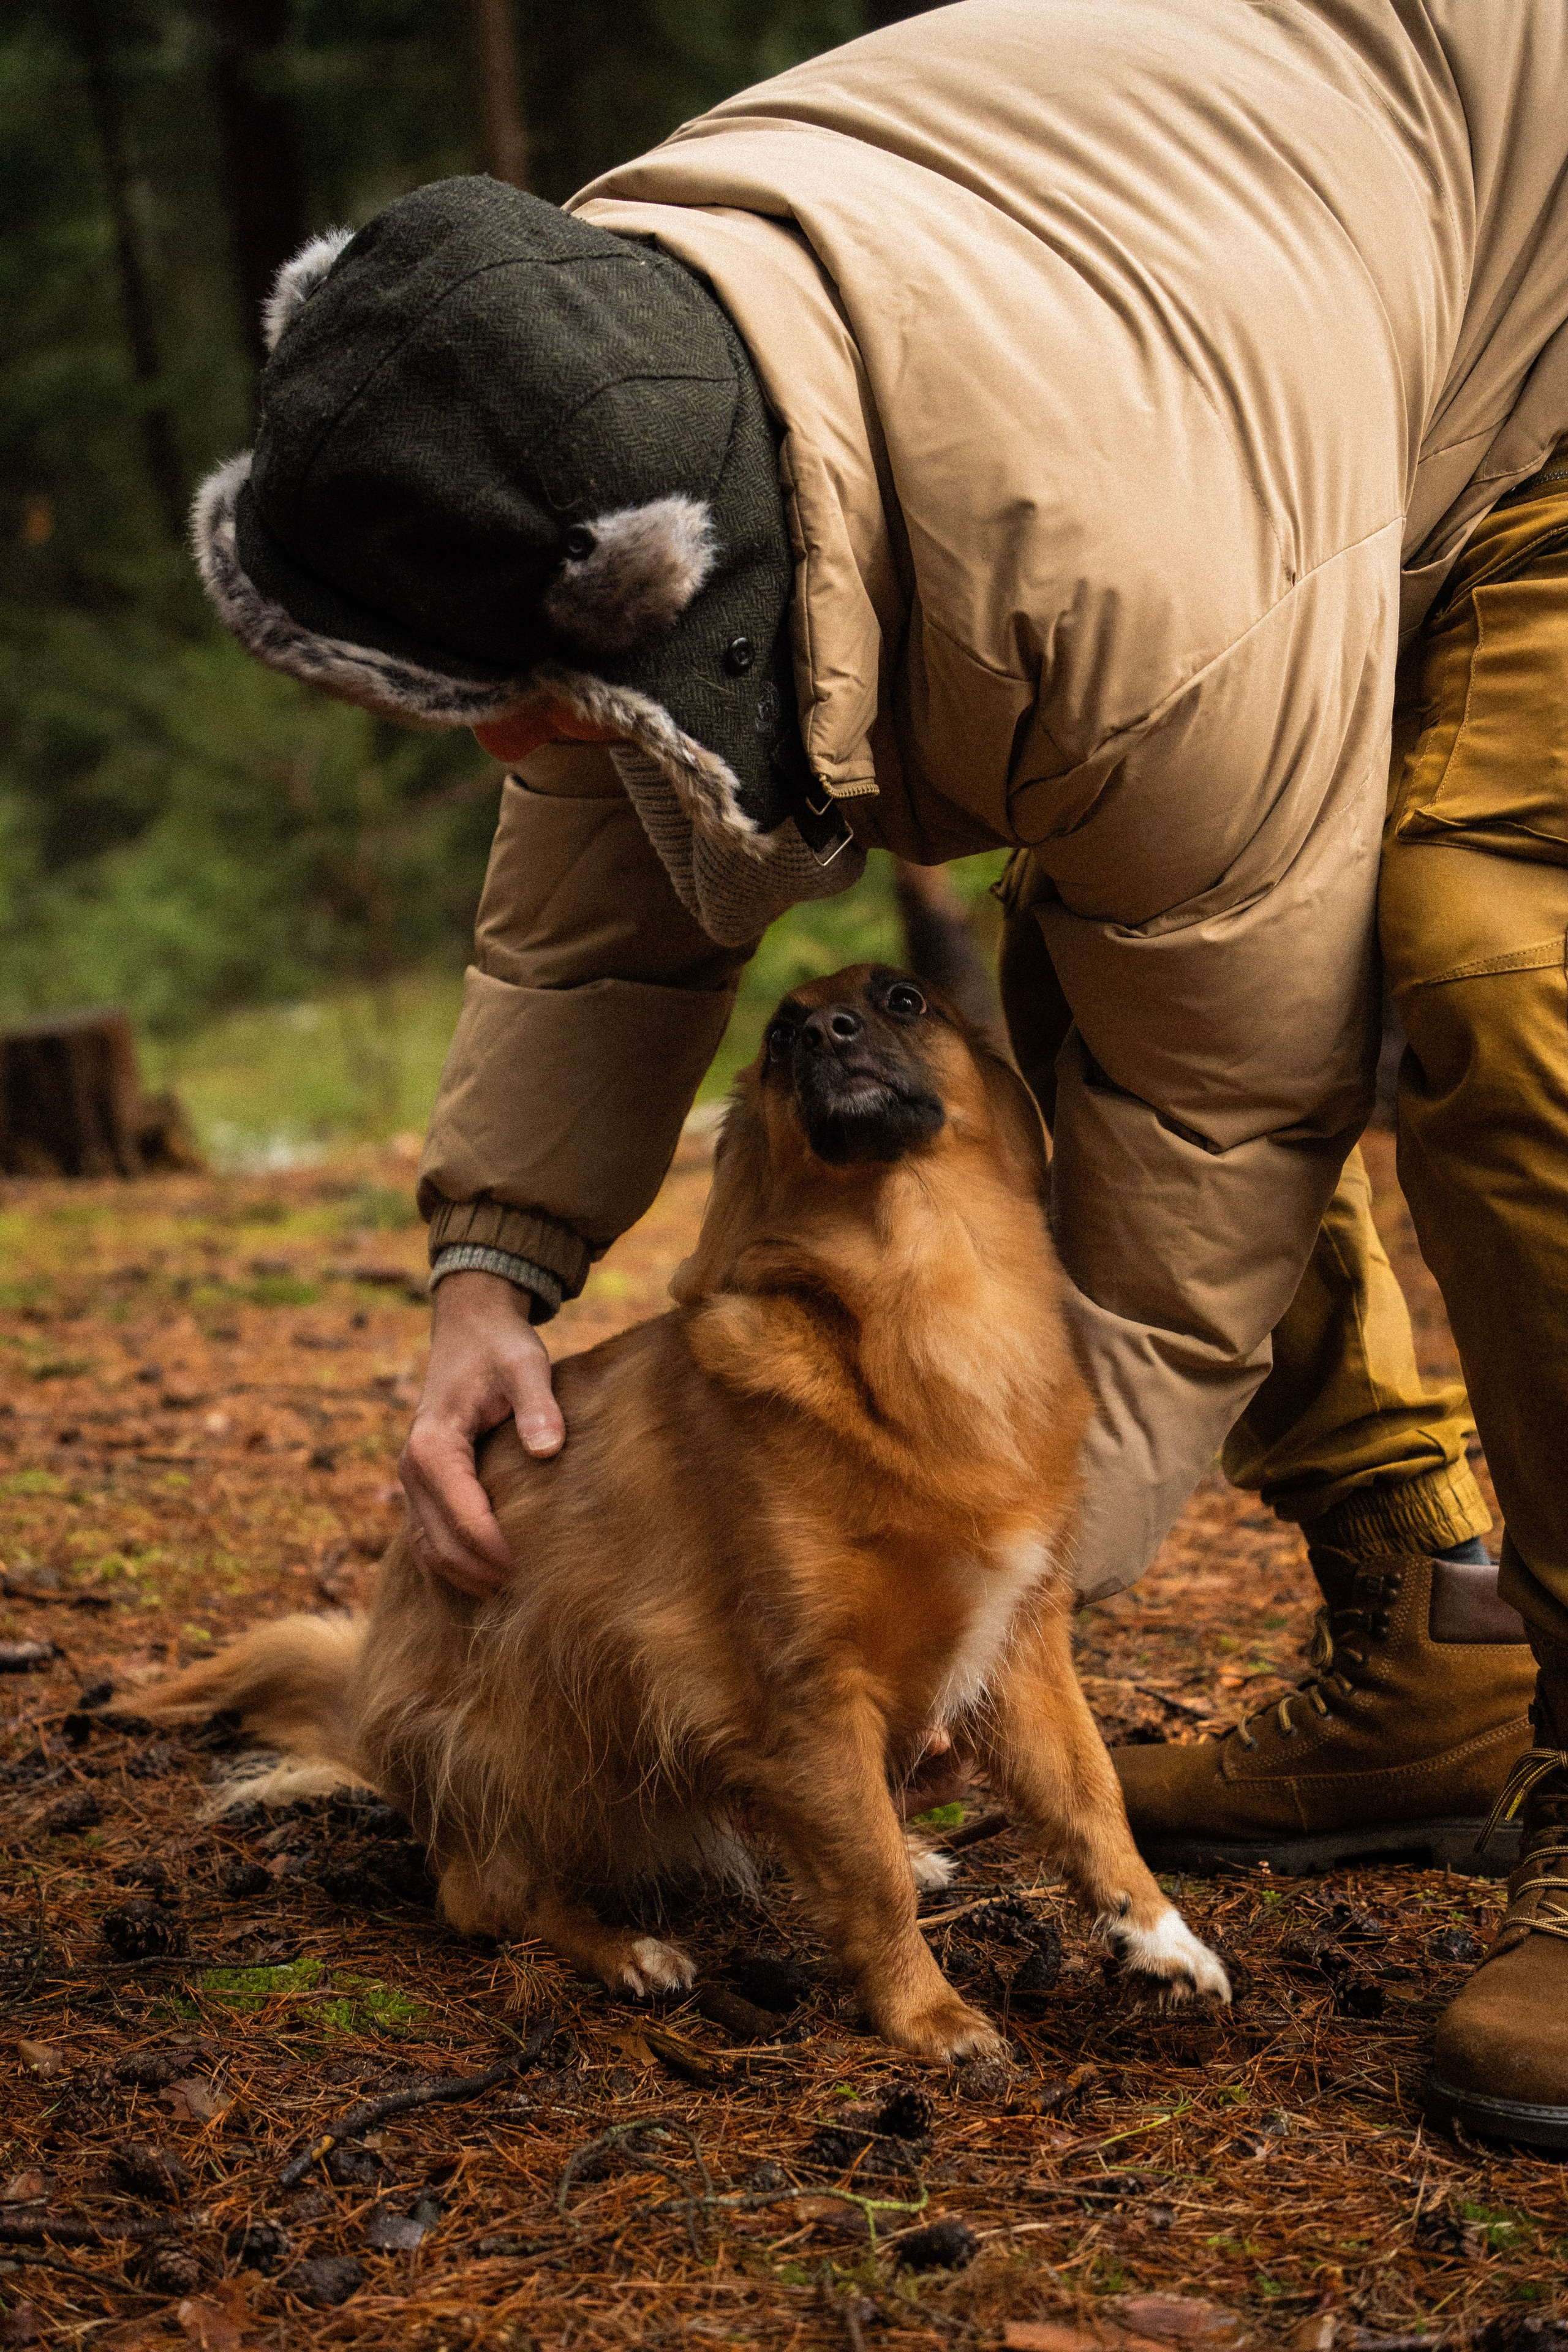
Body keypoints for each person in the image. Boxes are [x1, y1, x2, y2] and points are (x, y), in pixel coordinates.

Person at [187, 0, 1568, 2145]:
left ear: (678, 586)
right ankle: (1431, 1630)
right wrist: (491, 1279)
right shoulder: (571, 377)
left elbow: (1224, 1111)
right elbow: (594, 893)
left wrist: (973, 1598)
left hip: (1530, 307)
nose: (492, 753)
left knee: (1489, 960)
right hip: (1247, 266)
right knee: (1080, 958)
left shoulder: (1134, 595)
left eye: (515, 701)